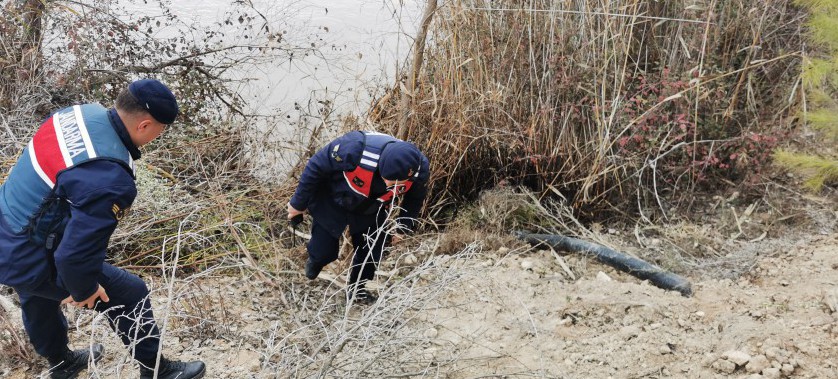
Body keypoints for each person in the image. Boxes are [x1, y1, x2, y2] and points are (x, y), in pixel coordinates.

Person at [0, 79, 205, 379]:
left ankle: (61, 362)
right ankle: (158, 371)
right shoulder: (110, 179)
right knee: (130, 293)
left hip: (8, 224)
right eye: (161, 130)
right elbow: (73, 258)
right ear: (145, 126)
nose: (158, 136)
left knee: (36, 293)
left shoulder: (75, 114)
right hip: (24, 252)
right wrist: (83, 289)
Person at [287, 130, 430, 304]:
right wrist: (297, 204)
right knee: (322, 250)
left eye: (394, 184)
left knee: (371, 253)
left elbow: (414, 199)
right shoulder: (353, 148)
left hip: (372, 207)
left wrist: (403, 227)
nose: (388, 185)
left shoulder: (419, 169)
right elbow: (315, 167)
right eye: (386, 179)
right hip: (335, 198)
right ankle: (317, 260)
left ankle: (357, 290)